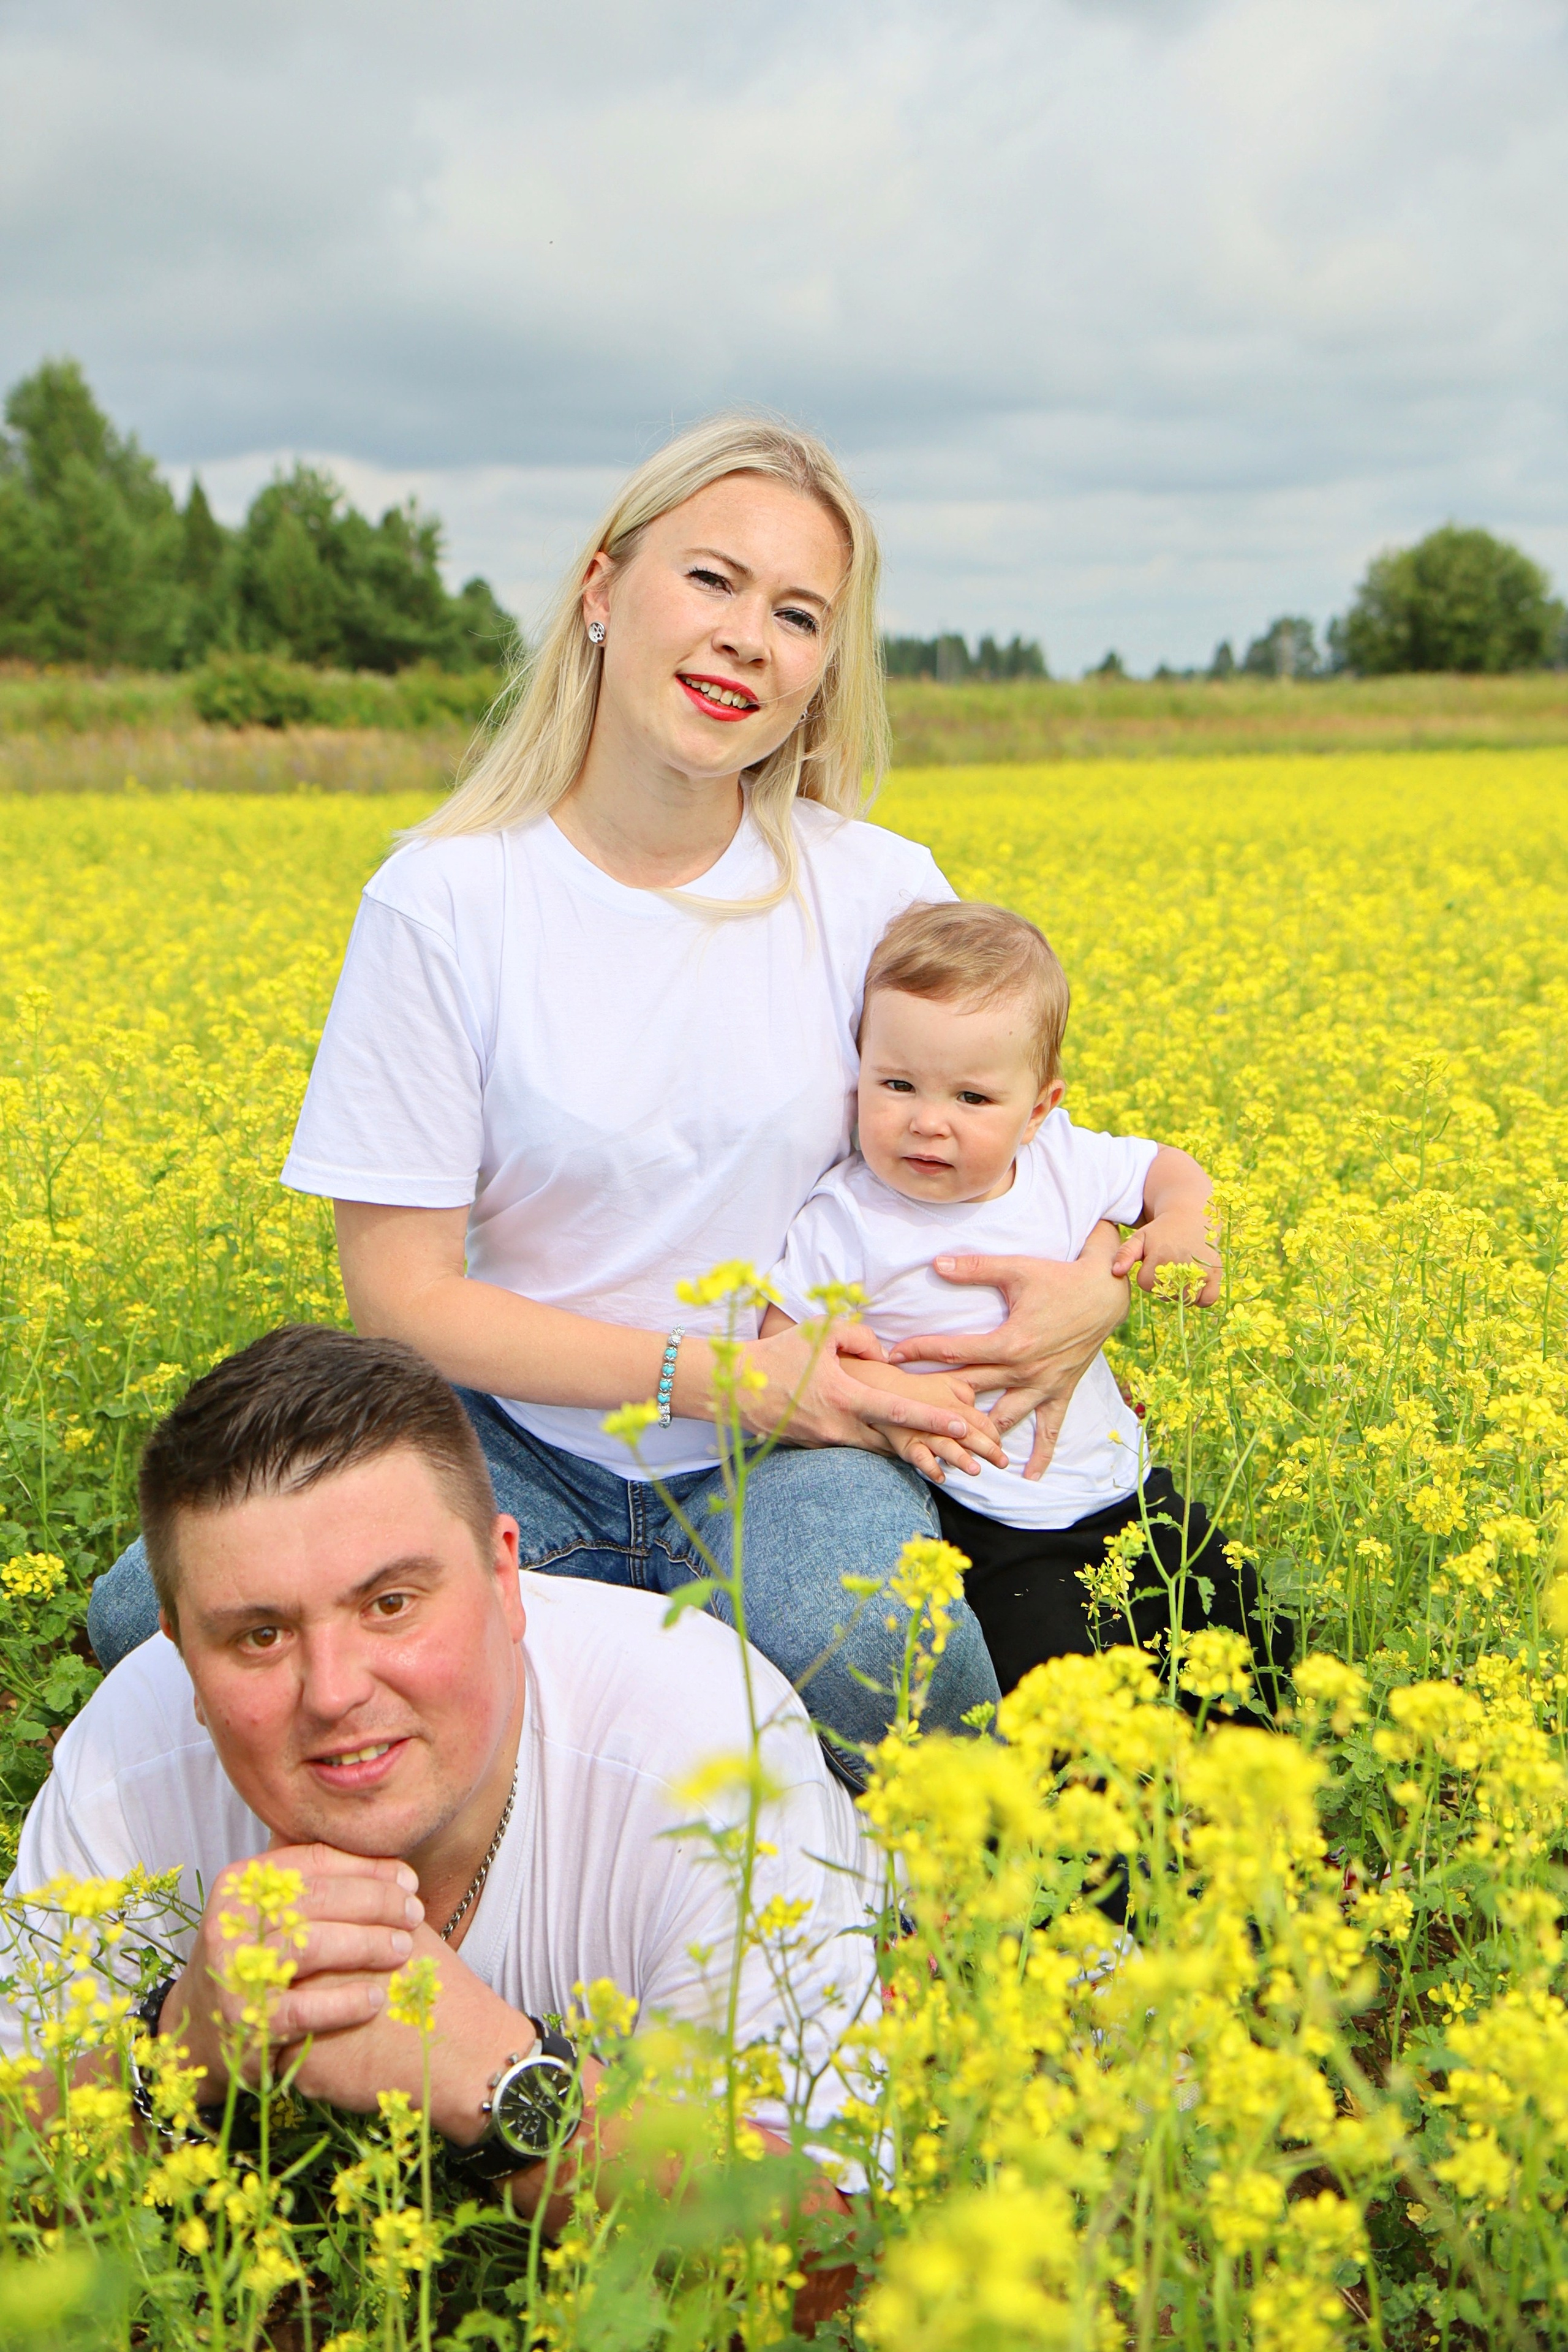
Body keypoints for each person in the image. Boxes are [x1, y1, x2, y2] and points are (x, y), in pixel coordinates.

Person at [86, 415, 1134, 1782]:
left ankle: (929, 1949)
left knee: (873, 1644)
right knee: (154, 1627)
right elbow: (402, 1298)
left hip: (796, 1457)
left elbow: (1035, 1147)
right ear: (600, 591)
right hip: (514, 1442)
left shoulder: (874, 886)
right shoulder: (447, 899)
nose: (748, 638)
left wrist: (1101, 1288)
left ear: (821, 668)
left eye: (798, 614)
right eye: (710, 580)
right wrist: (737, 1380)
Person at [4, 1326, 873, 2299]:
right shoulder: (133, 1749)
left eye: (390, 1605)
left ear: (506, 1577)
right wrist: (182, 2045)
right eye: (258, 1634)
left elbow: (832, 2269)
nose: (332, 1693)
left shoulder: (710, 1757)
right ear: (179, 1653)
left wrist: (501, 2083)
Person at [763, 899, 1289, 1697]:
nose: (929, 1123)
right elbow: (784, 1348)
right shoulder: (848, 1215)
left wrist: (1182, 1219)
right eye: (897, 1085)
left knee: (1260, 1647)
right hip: (992, 1527)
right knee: (1062, 1705)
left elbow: (1170, 1170)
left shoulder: (1064, 1164)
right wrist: (899, 1395)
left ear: (1039, 1109)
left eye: (972, 1100)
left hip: (1133, 1493)